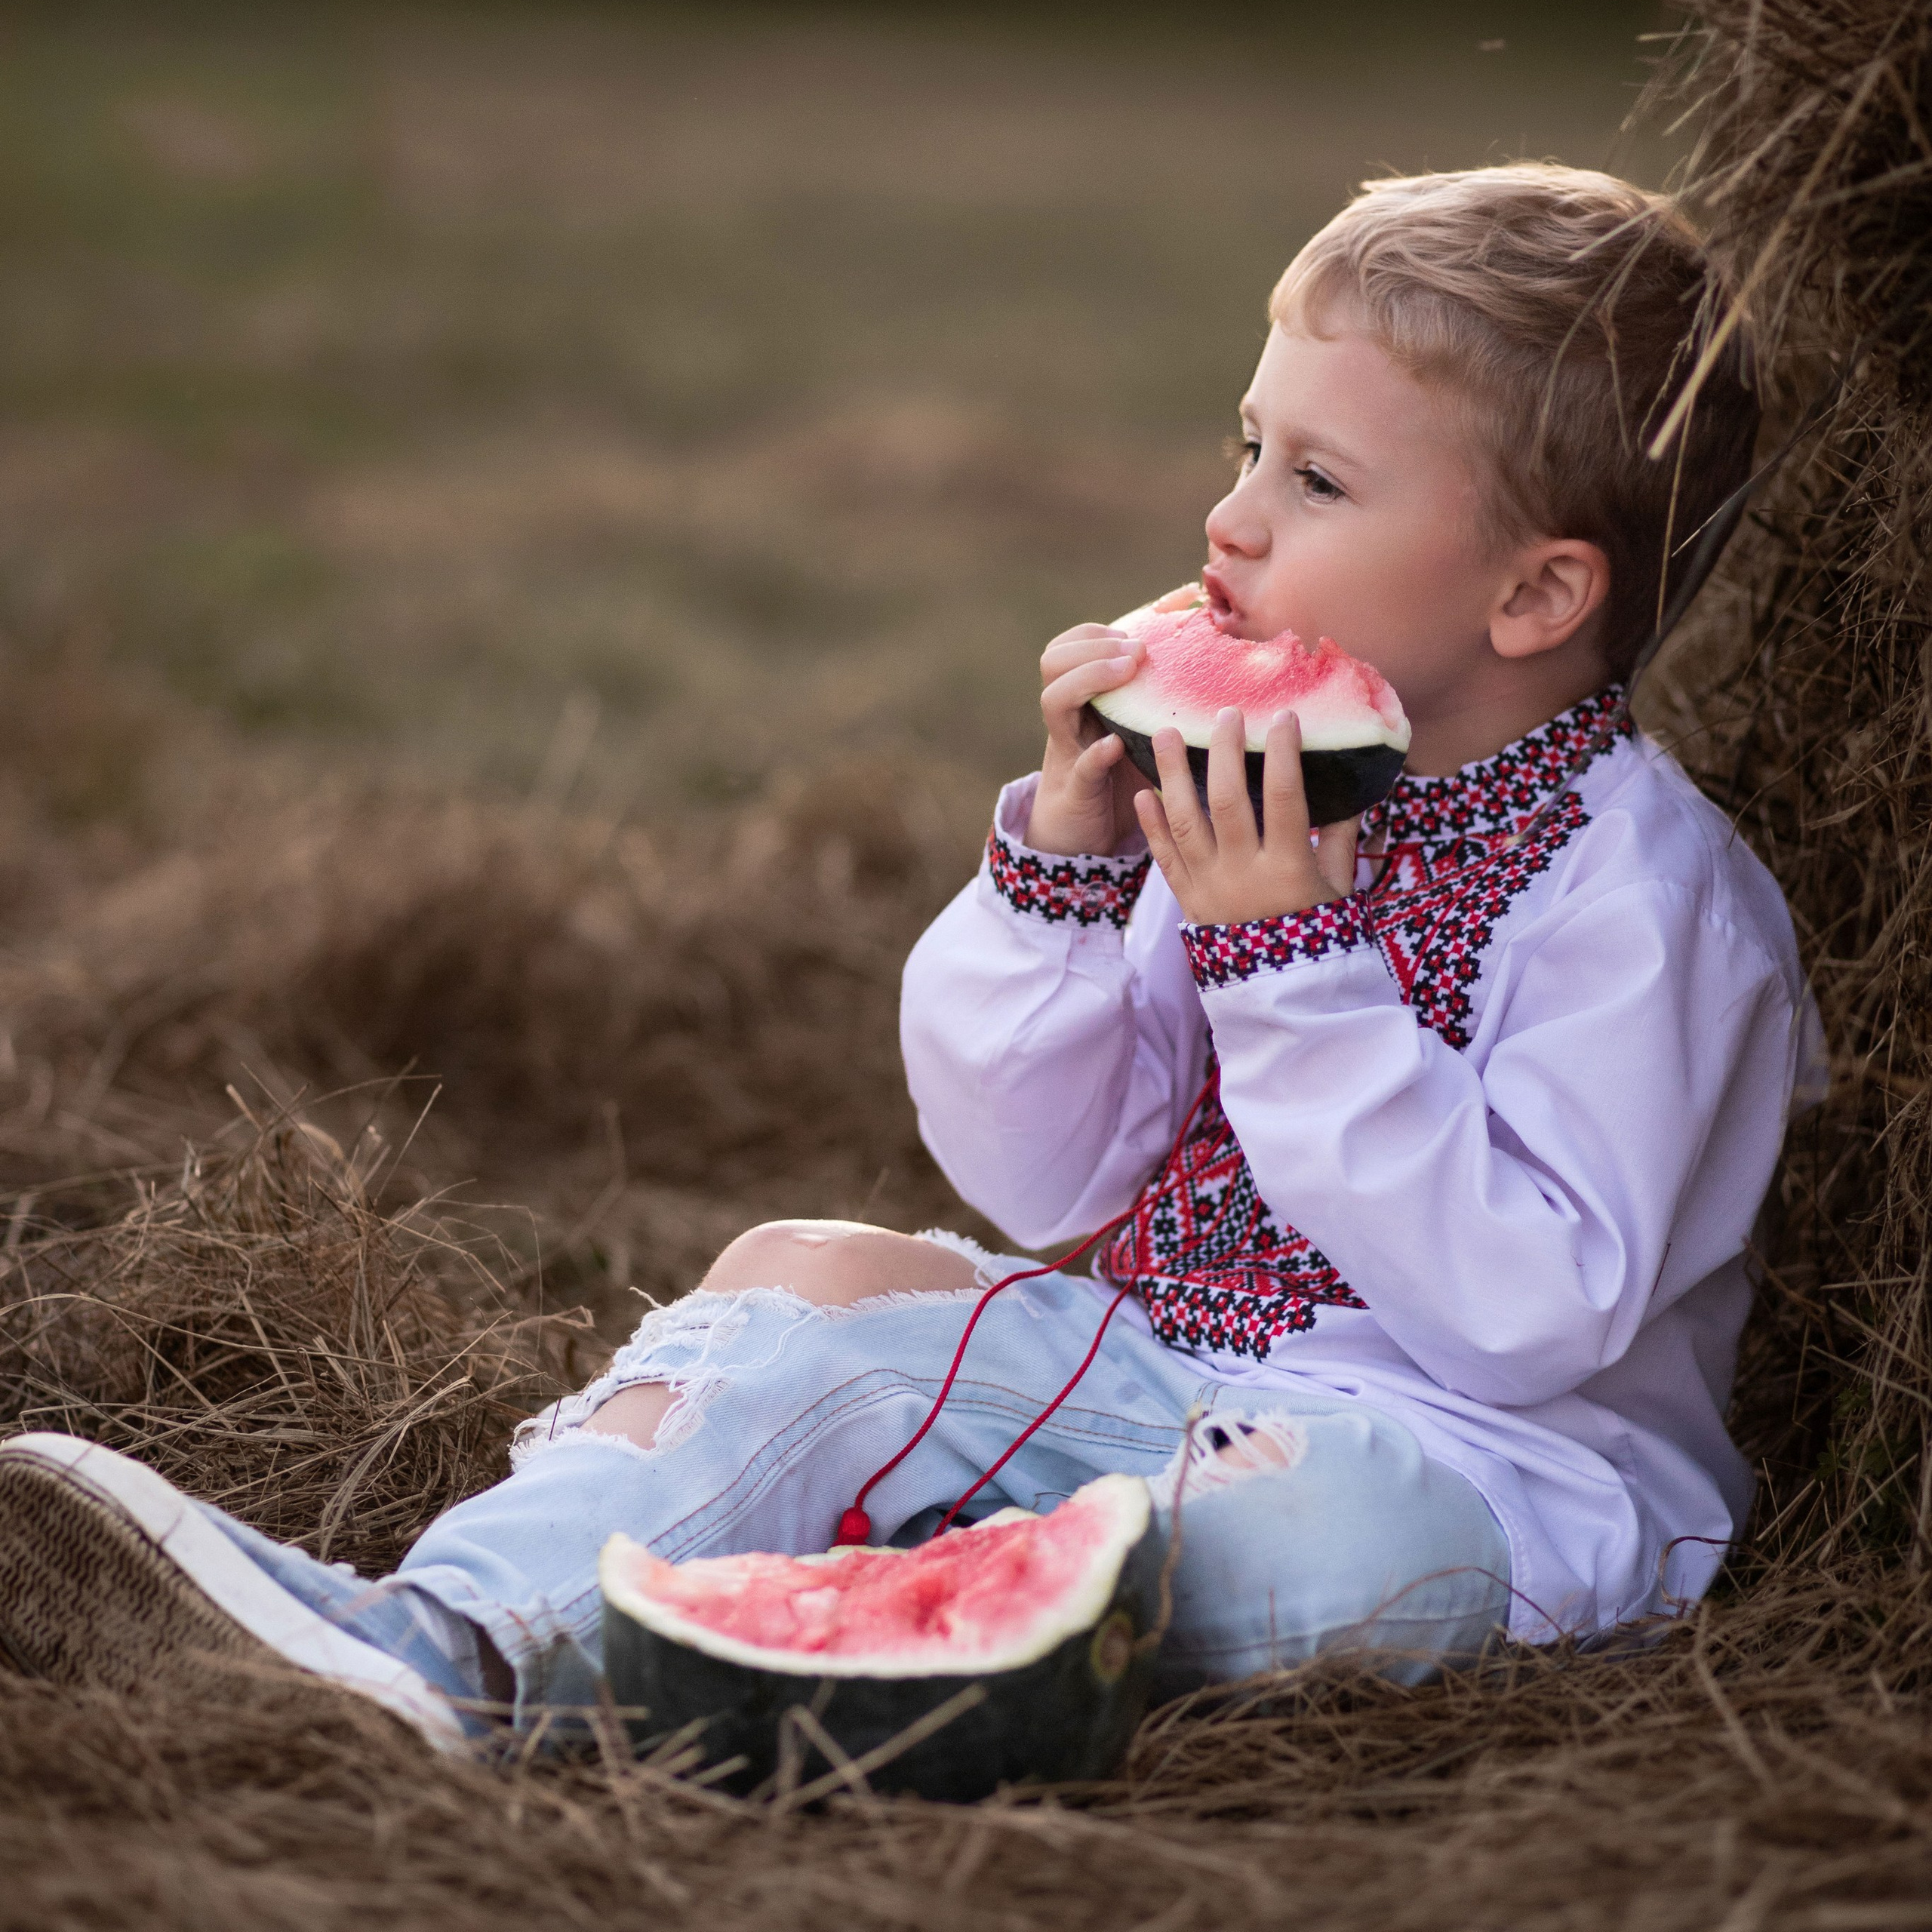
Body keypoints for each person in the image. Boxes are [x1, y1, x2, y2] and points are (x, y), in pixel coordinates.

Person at [0, 164, 1823, 1747]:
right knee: (808, 1266)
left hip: (1483, 1486)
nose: (1229, 520)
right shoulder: (1234, 780)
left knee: (1325, 1544)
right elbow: (1036, 1173)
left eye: (1319, 480)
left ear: (1532, 596)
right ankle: (448, 1625)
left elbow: (1528, 1312)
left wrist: (1291, 966)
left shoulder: (1649, 906)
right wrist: (1061, 875)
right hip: (1165, 1375)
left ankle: (822, 1609)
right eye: (1241, 445)